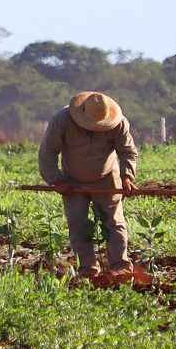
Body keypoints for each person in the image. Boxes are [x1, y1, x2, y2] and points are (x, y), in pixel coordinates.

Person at [39, 91, 138, 280]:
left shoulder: (119, 123)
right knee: (77, 223)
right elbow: (48, 152)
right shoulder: (62, 120)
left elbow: (128, 152)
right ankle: (88, 266)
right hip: (71, 180)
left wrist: (127, 177)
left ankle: (120, 264)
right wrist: (56, 179)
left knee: (114, 222)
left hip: (107, 177)